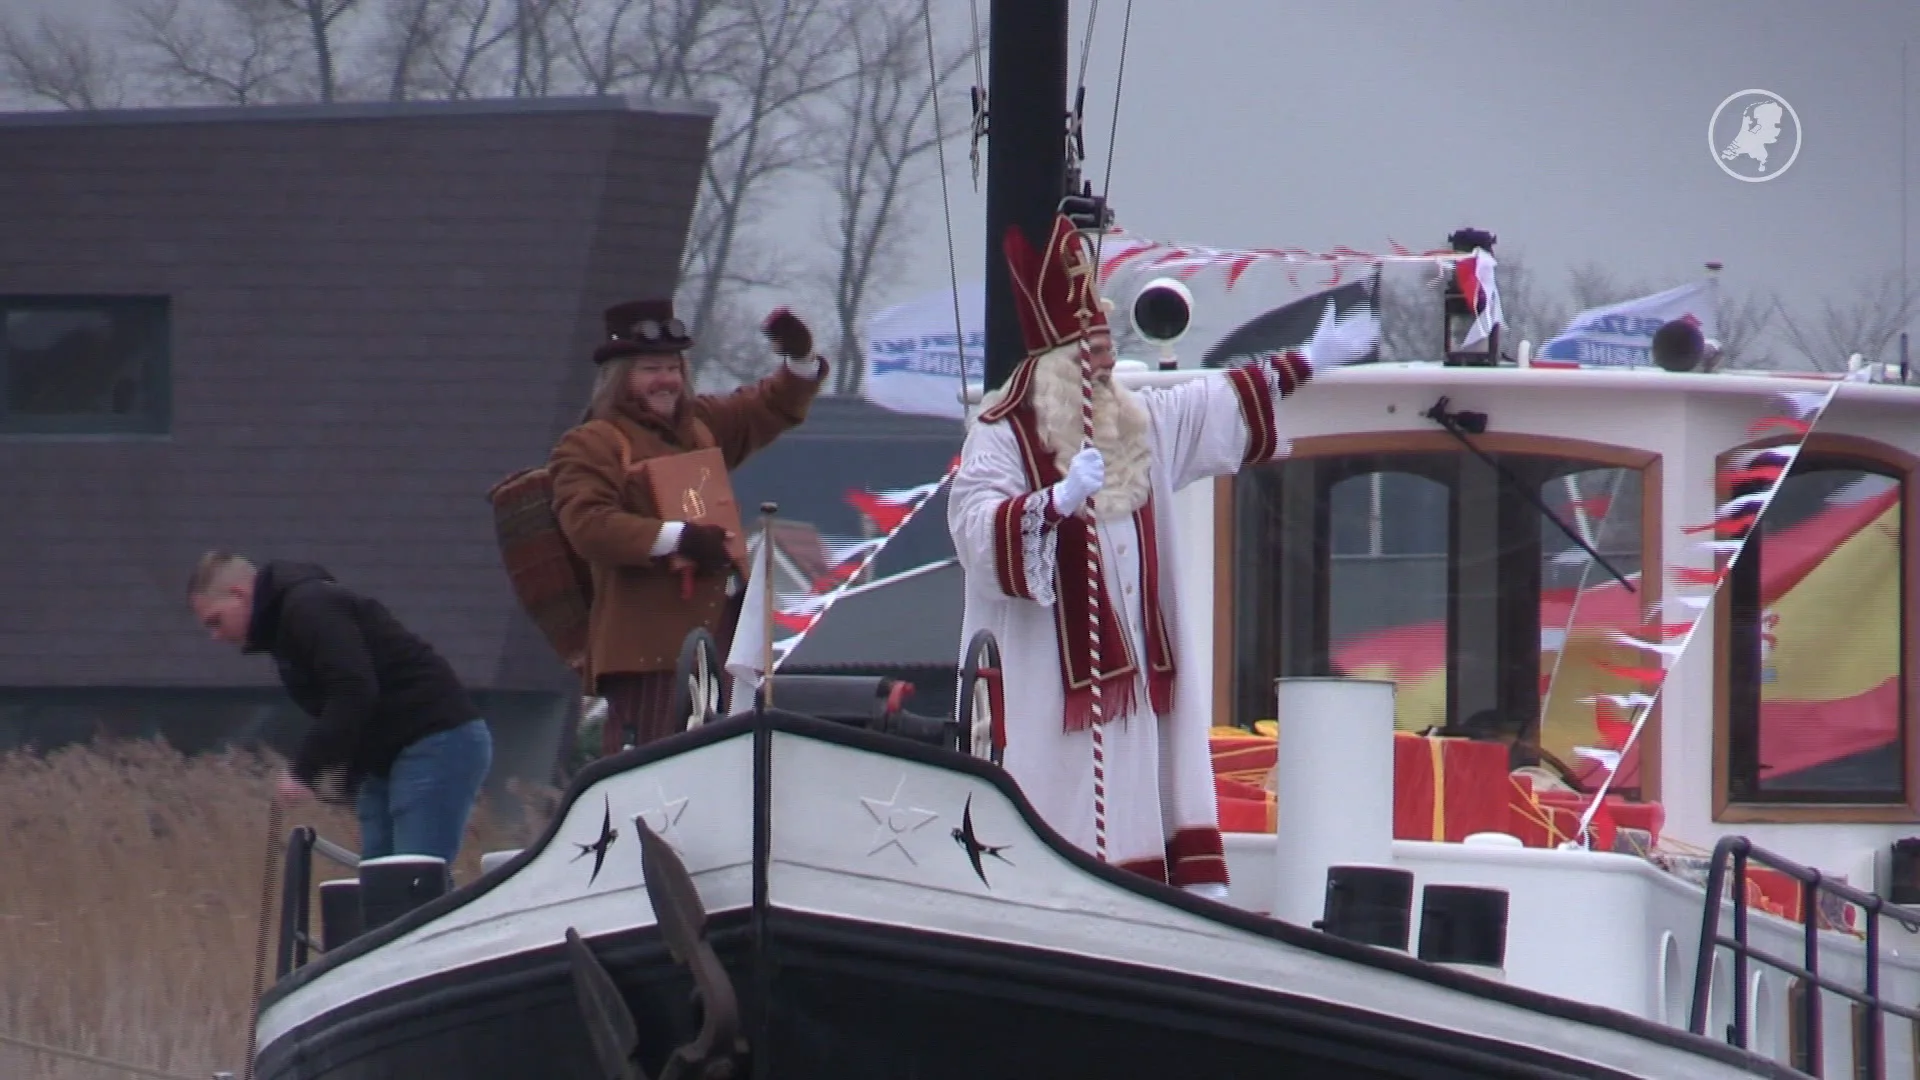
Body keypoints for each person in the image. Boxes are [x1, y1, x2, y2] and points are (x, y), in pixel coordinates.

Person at [948, 212, 1375, 901]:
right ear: (1059, 366)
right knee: (1060, 806)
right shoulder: (1000, 437)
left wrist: (1306, 361)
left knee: (1148, 791)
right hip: (1046, 692)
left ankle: (1170, 896)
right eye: (1095, 354)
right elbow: (972, 529)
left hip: (1142, 681)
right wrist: (1054, 503)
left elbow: (1214, 404)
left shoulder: (1134, 422)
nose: (1109, 366)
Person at [549, 298, 827, 755]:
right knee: (651, 768)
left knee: (722, 763)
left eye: (672, 367)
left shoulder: (699, 427)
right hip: (647, 653)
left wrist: (799, 362)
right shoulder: (592, 443)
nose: (666, 380)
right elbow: (588, 524)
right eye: (649, 369)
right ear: (620, 378)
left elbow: (767, 406)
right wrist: (678, 537)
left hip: (719, 642)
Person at [187, 552, 494, 865]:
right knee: (381, 888)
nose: (215, 636)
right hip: (389, 759)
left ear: (239, 594)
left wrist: (304, 771)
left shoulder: (309, 606)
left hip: (436, 740)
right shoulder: (286, 626)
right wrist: (349, 781)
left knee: (413, 880)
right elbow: (356, 709)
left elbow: (353, 690)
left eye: (216, 621)